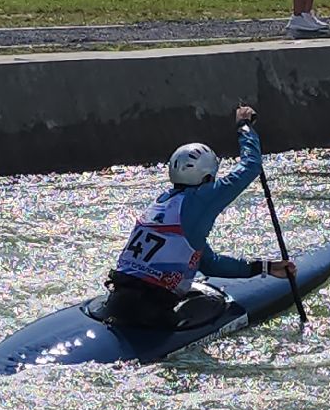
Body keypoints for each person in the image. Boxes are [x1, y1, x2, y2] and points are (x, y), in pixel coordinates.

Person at [102, 105, 297, 331]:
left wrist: (265, 267)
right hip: (151, 310)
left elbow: (209, 264)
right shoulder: (201, 199)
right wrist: (244, 127)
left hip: (117, 299)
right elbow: (251, 166)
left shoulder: (161, 203)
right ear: (207, 176)